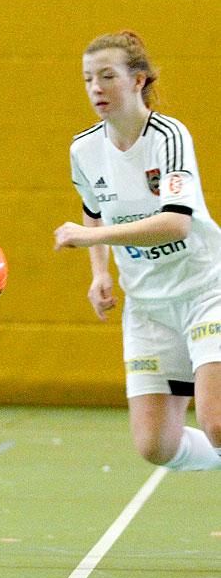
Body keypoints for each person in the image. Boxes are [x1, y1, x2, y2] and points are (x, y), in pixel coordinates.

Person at [53, 30, 221, 472]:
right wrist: (99, 273)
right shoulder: (84, 149)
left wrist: (91, 239)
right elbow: (93, 211)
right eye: (88, 78)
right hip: (148, 305)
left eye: (107, 76)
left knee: (217, 421)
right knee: (155, 446)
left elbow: (175, 222)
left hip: (206, 291)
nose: (96, 88)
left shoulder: (168, 136)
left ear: (138, 80)